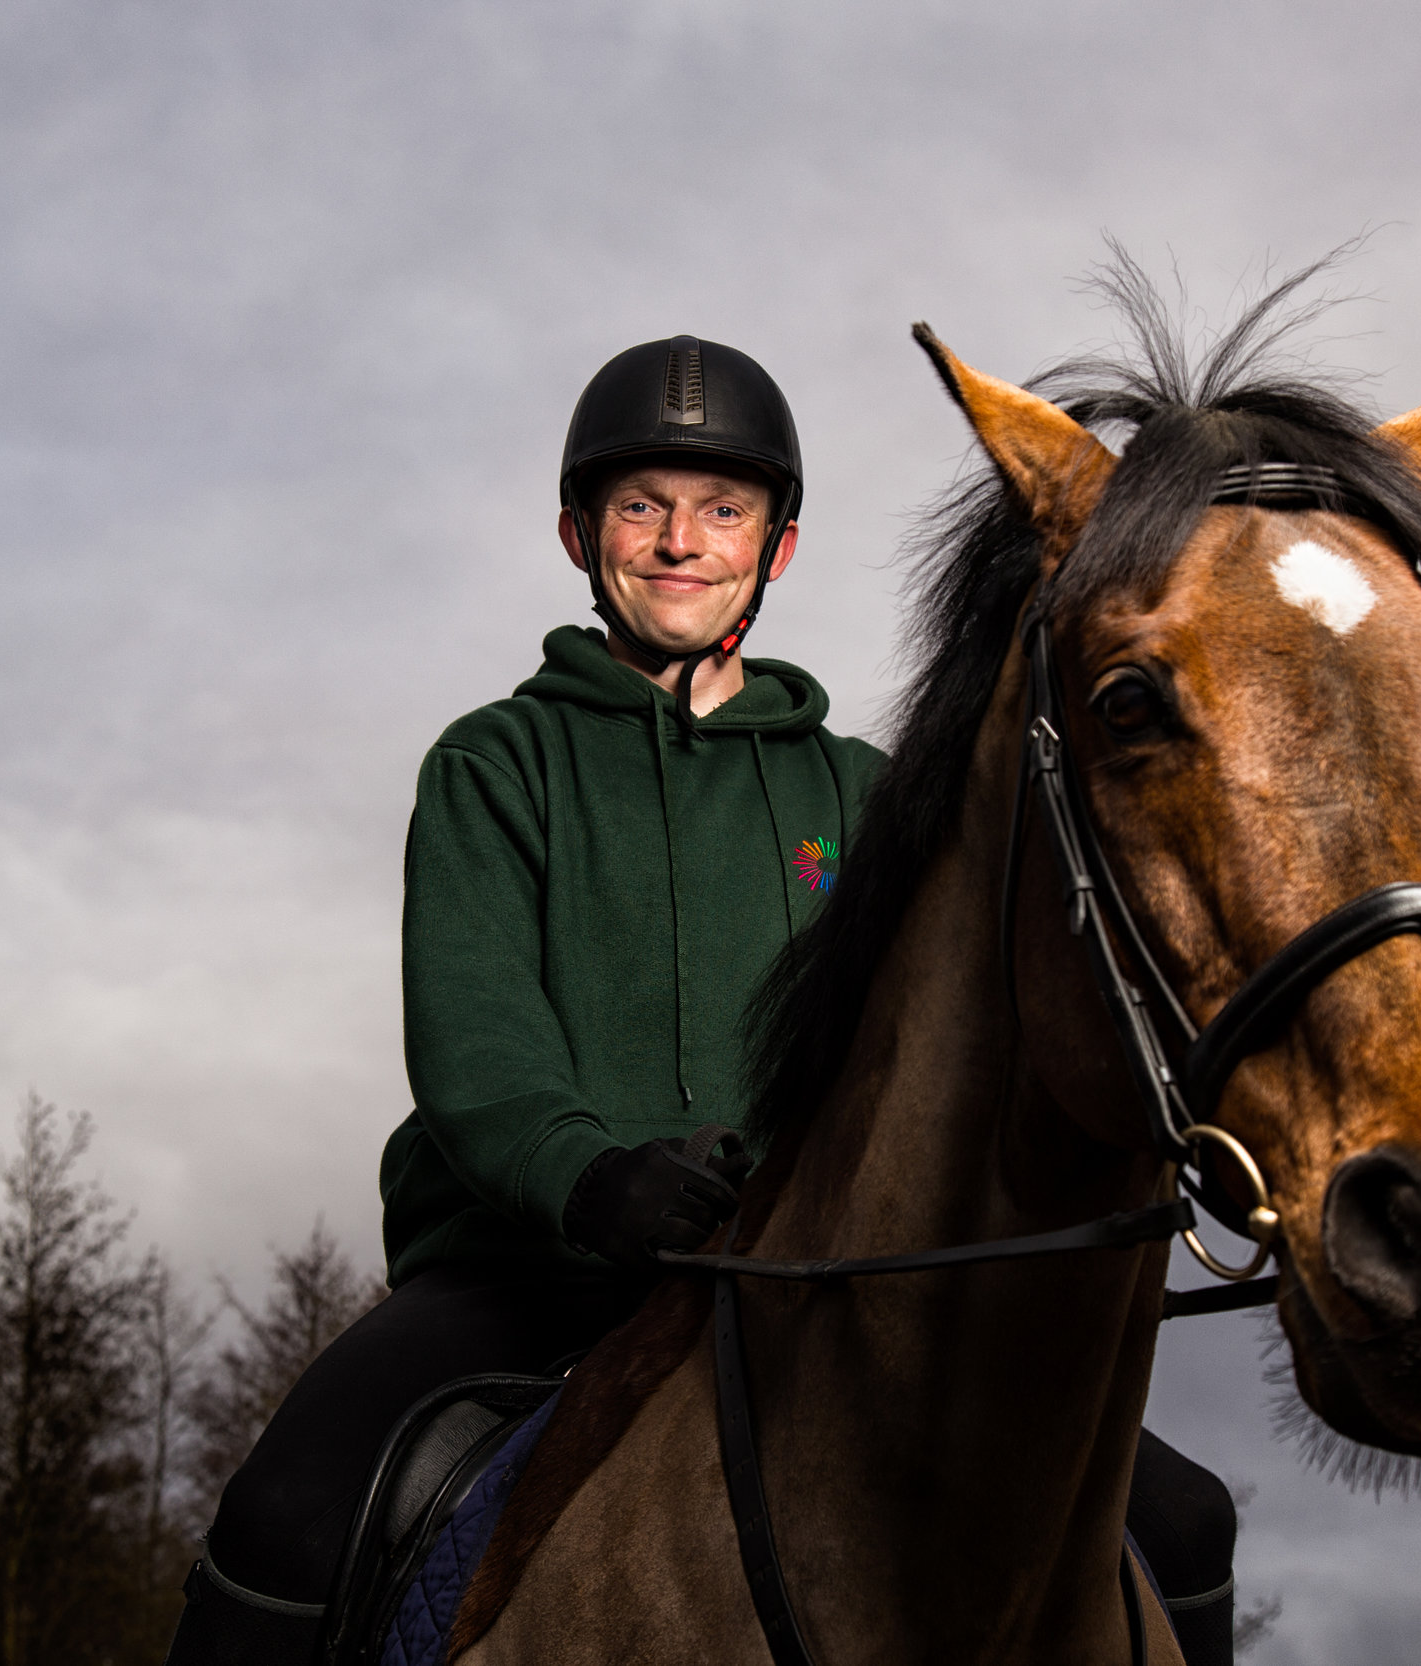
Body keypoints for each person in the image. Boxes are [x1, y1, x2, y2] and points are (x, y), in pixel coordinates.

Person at [164, 336, 1238, 1665]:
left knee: (1181, 1521)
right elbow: (474, 1041)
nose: (683, 540)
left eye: (723, 509)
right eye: (643, 506)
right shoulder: (497, 763)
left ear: (775, 549)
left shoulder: (866, 793)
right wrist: (591, 1178)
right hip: (536, 1273)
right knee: (288, 1513)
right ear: (580, 531)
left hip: (812, 1284)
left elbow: (949, 1044)